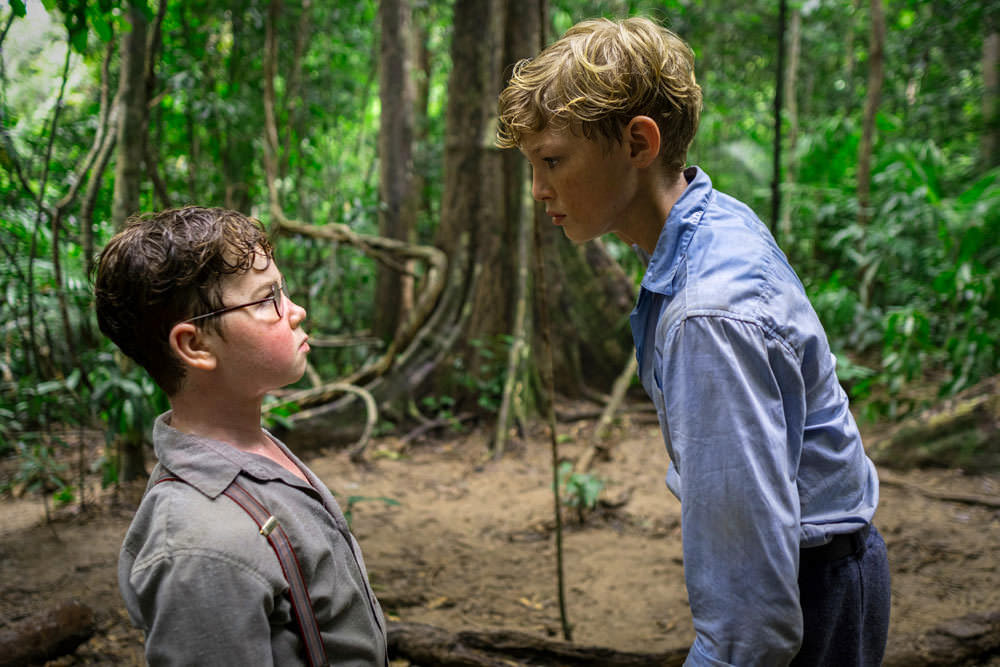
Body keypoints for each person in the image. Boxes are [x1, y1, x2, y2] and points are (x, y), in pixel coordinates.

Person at [497, 16, 890, 666]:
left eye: (553, 161)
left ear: (638, 143)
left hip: (816, 586)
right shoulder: (713, 221)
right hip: (834, 566)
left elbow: (751, 626)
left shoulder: (706, 315)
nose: (540, 189)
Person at [94, 207, 388, 665]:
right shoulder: (199, 547)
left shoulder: (255, 448)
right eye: (267, 298)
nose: (296, 311)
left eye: (282, 290)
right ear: (195, 345)